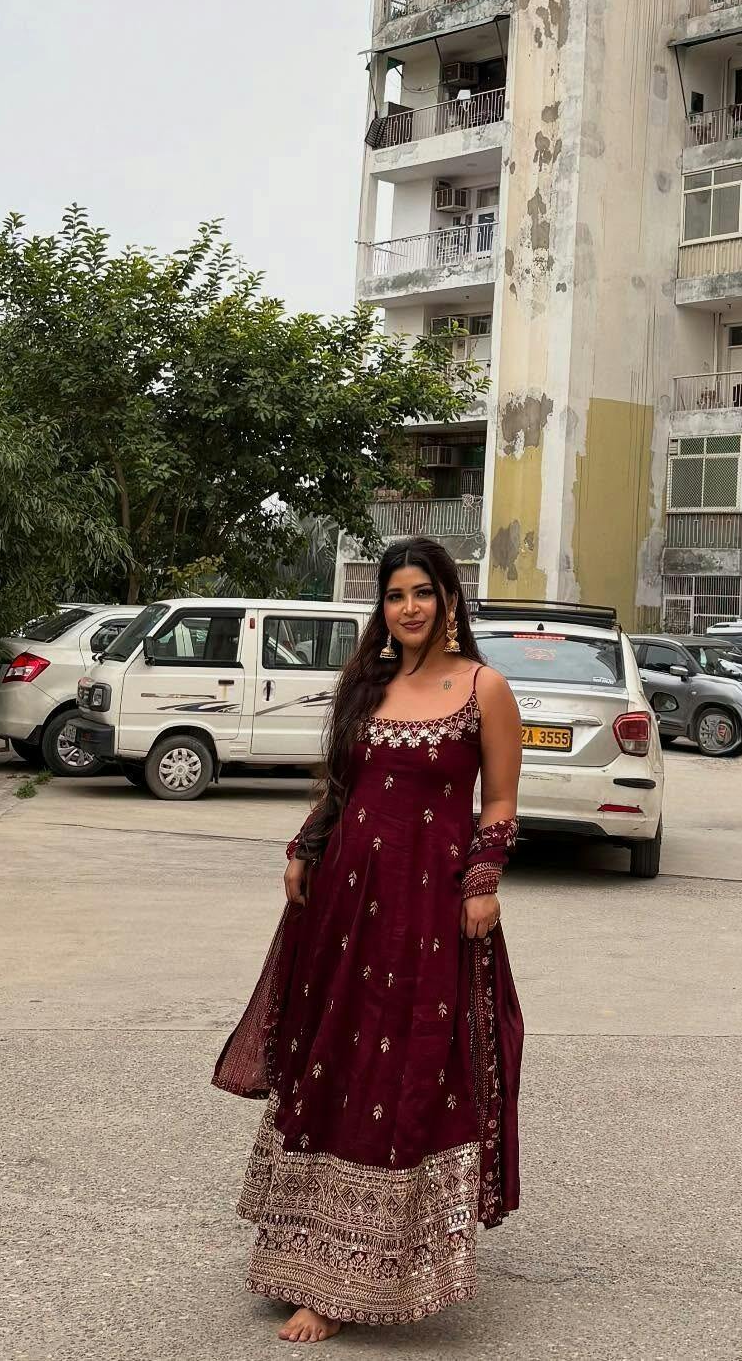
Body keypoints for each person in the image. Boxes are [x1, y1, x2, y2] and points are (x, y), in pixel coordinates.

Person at [213, 538, 525, 1341]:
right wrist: (305, 847)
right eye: (394, 595)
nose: (409, 607)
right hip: (344, 909)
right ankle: (303, 1256)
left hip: (427, 916)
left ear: (449, 600)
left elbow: (499, 802)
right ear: (382, 608)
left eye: (423, 592)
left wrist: (483, 881)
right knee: (330, 1063)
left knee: (402, 1069)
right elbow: (343, 787)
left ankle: (358, 1276)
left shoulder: (484, 689)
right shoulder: (369, 685)